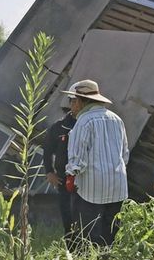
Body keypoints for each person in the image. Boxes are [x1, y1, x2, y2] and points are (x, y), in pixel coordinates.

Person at [63, 79, 129, 247]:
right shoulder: (117, 119)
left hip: (92, 189)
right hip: (118, 186)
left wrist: (70, 176)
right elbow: (125, 155)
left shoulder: (84, 121)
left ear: (79, 101)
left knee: (90, 236)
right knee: (111, 236)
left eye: (72, 101)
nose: (71, 106)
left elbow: (77, 162)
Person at [42, 97, 77, 239]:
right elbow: (47, 150)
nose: (75, 104)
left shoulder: (90, 124)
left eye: (79, 101)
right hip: (64, 180)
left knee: (85, 217)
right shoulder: (59, 126)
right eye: (73, 101)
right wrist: (49, 172)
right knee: (67, 217)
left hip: (86, 179)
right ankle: (71, 249)